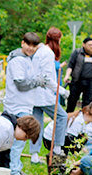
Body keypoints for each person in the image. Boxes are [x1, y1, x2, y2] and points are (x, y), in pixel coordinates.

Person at [3, 32, 46, 175]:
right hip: (16, 105)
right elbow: (21, 84)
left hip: (24, 104)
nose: (31, 48)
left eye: (34, 46)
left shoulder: (27, 59)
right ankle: (13, 171)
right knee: (18, 140)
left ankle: (16, 167)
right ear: (22, 43)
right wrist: (37, 82)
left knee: (20, 141)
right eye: (28, 44)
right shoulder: (17, 61)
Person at [28, 28, 68, 164]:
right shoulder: (48, 53)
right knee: (62, 117)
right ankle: (57, 149)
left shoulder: (39, 51)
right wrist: (61, 91)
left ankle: (34, 156)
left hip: (35, 94)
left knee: (36, 124)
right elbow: (46, 78)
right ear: (57, 39)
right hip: (44, 94)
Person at [65, 37, 92, 111]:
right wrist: (67, 76)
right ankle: (67, 118)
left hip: (90, 82)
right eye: (89, 45)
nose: (91, 47)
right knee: (72, 101)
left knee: (88, 103)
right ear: (83, 45)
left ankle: (85, 119)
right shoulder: (77, 53)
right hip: (77, 81)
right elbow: (70, 65)